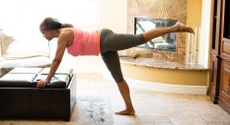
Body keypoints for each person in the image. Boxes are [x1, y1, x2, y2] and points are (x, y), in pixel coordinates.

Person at [37, 17, 194, 115]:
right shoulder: (64, 30)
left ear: (49, 30)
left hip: (105, 40)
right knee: (118, 78)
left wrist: (47, 79)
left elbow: (57, 60)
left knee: (140, 38)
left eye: (43, 33)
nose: (43, 36)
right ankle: (129, 108)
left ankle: (175, 27)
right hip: (103, 48)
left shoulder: (63, 34)